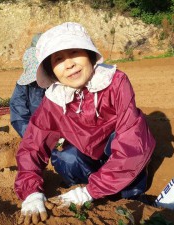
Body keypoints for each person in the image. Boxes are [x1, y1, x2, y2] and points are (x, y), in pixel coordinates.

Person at [15, 22, 156, 224]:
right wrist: (31, 192)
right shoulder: (53, 100)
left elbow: (131, 144)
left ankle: (131, 193)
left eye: (74, 52)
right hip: (89, 154)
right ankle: (90, 188)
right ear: (52, 70)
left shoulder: (115, 82)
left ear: (90, 54)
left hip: (116, 151)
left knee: (128, 141)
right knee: (66, 157)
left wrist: (91, 191)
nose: (69, 64)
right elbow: (32, 146)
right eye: (58, 59)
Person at [10, 34, 45, 138]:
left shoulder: (61, 84)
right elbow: (18, 115)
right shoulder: (24, 87)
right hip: (35, 135)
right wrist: (33, 137)